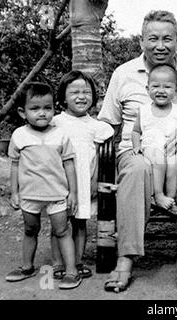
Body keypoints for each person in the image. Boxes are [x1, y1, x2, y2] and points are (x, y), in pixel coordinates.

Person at [97, 10, 177, 293]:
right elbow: (107, 122)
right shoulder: (124, 74)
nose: (160, 45)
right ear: (141, 40)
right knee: (138, 169)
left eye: (167, 38)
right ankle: (125, 259)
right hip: (138, 151)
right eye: (153, 38)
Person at [5, 82, 81, 290]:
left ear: (54, 109)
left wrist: (73, 193)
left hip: (57, 194)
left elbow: (69, 165)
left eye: (47, 108)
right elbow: (14, 165)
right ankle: (27, 266)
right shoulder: (19, 136)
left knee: (62, 230)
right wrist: (15, 192)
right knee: (30, 229)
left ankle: (71, 271)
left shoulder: (61, 135)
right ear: (22, 112)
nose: (42, 113)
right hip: (30, 195)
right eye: (35, 108)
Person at [50, 71, 114, 280]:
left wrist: (96, 181)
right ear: (62, 97)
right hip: (59, 180)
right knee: (58, 223)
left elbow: (98, 157)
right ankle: (58, 263)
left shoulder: (97, 126)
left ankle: (77, 261)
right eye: (74, 92)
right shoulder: (55, 123)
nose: (81, 96)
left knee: (80, 223)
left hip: (85, 181)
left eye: (86, 92)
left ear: (93, 97)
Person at [132, 64, 177, 214]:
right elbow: (136, 131)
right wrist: (136, 146)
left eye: (167, 87)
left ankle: (171, 198)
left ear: (176, 91)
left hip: (171, 147)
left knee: (174, 163)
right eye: (155, 86)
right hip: (152, 148)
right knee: (158, 160)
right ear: (147, 89)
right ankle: (158, 195)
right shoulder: (144, 111)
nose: (161, 91)